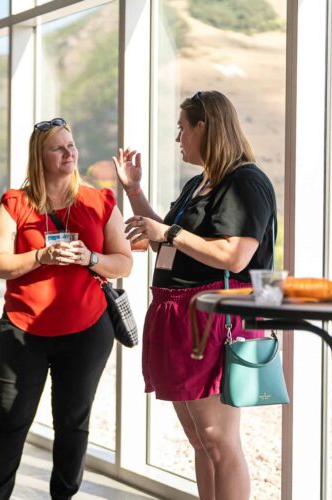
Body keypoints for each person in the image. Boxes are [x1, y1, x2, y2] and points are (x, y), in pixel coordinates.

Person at [113, 90, 277, 500]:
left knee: (217, 439)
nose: (178, 138)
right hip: (183, 315)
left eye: (182, 128)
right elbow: (166, 244)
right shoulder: (198, 184)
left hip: (216, 316)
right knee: (202, 441)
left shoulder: (246, 181)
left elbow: (236, 256)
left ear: (204, 127)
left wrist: (168, 232)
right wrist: (134, 191)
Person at [0, 118, 133, 500]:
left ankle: (63, 496)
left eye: (71, 145)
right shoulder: (15, 203)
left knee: (72, 424)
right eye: (58, 148)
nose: (70, 152)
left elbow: (124, 263)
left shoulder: (100, 202)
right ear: (40, 157)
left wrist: (90, 257)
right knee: (12, 422)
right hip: (22, 331)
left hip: (86, 331)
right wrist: (40, 255)